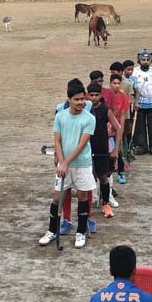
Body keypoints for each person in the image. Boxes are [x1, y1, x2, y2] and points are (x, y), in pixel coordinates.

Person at [39, 79, 96, 249]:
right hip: (64, 164)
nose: (81, 103)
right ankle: (52, 230)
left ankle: (80, 232)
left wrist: (66, 163)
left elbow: (81, 145)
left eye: (82, 99)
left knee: (83, 196)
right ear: (69, 99)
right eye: (77, 99)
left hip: (82, 164)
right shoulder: (60, 116)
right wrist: (61, 162)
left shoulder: (89, 118)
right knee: (58, 197)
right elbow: (57, 140)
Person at [88, 83, 122, 220]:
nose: (94, 98)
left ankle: (106, 203)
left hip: (102, 149)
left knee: (103, 177)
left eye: (97, 95)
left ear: (100, 96)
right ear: (87, 95)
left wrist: (115, 149)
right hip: (86, 150)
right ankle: (89, 203)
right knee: (87, 178)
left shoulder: (104, 110)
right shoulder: (83, 110)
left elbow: (118, 128)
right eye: (91, 95)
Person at [107, 72, 130, 188]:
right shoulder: (106, 95)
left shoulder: (123, 97)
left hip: (117, 126)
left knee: (119, 150)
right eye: (114, 83)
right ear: (110, 83)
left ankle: (121, 172)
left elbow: (122, 115)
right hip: (106, 126)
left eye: (118, 83)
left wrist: (120, 130)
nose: (116, 85)